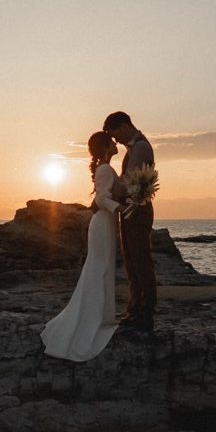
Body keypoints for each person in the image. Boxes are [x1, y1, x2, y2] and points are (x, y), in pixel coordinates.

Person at [40, 131, 121, 361]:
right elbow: (101, 199)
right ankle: (93, 320)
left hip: (104, 222)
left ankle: (102, 316)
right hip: (103, 222)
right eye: (112, 142)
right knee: (99, 267)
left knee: (100, 266)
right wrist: (121, 208)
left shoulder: (104, 167)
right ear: (106, 146)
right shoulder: (104, 169)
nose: (116, 144)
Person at [103, 111, 156, 333]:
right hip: (130, 209)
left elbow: (129, 181)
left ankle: (145, 313)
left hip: (137, 210)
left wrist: (109, 183)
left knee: (141, 262)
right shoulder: (133, 148)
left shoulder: (141, 147)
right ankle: (134, 309)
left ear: (124, 126)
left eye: (115, 134)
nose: (115, 140)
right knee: (131, 262)